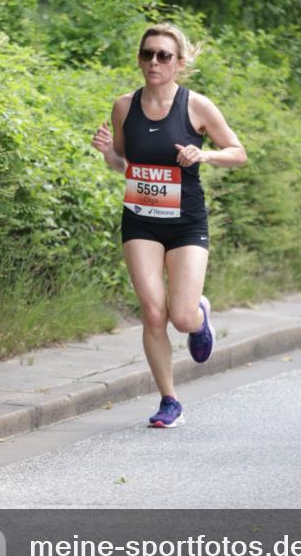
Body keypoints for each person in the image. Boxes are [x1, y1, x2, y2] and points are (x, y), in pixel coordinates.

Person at [91, 22, 247, 428]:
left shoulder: (197, 106)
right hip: (140, 219)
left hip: (186, 222)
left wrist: (204, 156)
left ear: (179, 63)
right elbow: (124, 164)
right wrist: (109, 154)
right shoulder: (124, 106)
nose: (154, 62)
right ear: (140, 59)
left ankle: (198, 315)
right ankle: (169, 400)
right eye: (147, 54)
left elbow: (237, 152)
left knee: (179, 316)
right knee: (153, 313)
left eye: (163, 55)